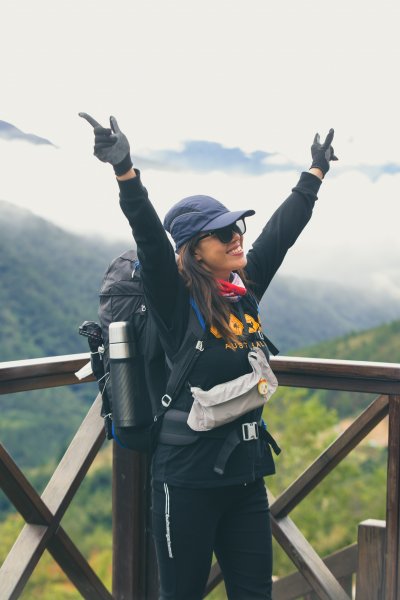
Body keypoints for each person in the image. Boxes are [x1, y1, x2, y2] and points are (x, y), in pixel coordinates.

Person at [80, 112, 338, 600]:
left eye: (236, 226)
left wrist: (315, 174)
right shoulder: (175, 304)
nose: (236, 236)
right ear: (195, 251)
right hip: (185, 480)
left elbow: (282, 233)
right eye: (222, 233)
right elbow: (152, 244)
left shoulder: (242, 288)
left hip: (246, 474)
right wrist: (126, 172)